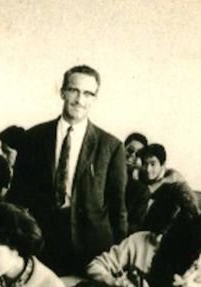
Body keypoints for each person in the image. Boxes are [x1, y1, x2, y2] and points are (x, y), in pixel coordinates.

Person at [9, 65, 127, 275]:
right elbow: (17, 195)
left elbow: (118, 209)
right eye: (74, 90)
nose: (80, 100)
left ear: (94, 99)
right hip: (41, 243)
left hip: (91, 249)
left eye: (88, 93)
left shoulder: (111, 146)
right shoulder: (34, 137)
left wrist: (118, 259)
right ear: (62, 92)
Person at [76, 182, 199, 287]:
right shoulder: (139, 241)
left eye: (168, 234)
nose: (159, 239)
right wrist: (121, 285)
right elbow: (95, 266)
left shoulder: (195, 253)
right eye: (159, 231)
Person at [123, 133, 150, 234]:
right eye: (130, 150)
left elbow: (135, 226)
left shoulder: (140, 190)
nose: (132, 156)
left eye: (138, 154)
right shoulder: (105, 174)